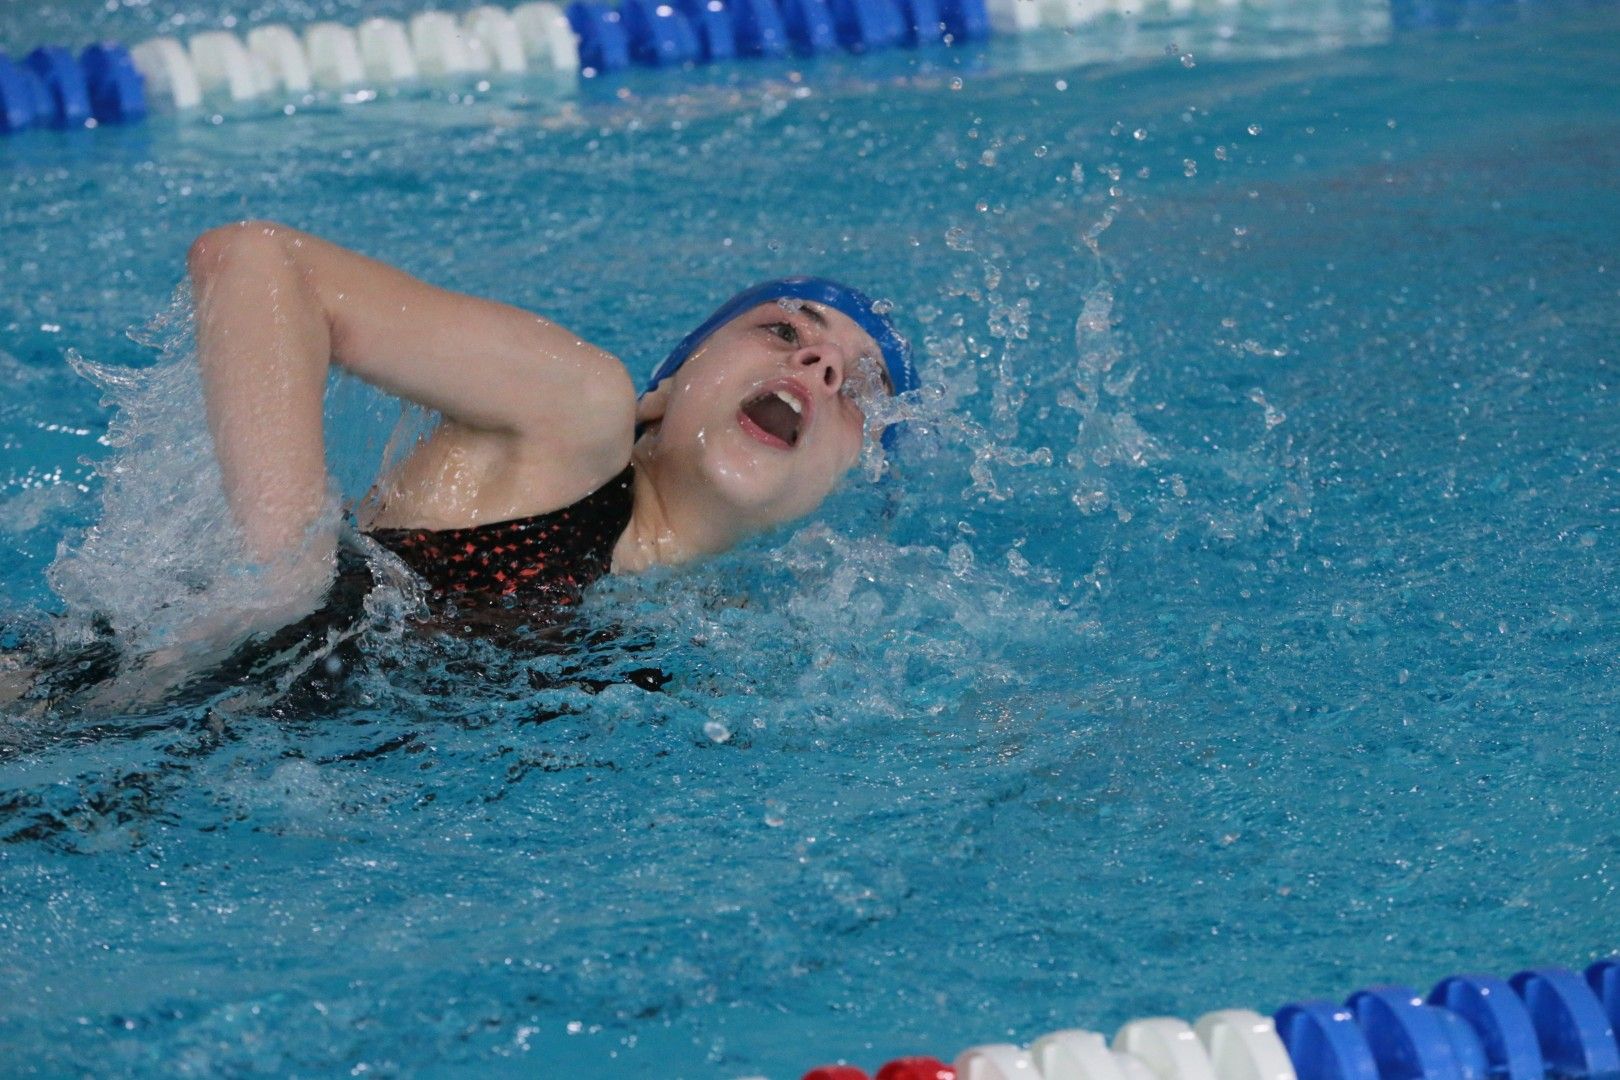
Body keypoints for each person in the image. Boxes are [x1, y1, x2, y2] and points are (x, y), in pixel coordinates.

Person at [183, 220, 919, 633]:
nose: (822, 364)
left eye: (860, 390)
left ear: (844, 484)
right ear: (664, 393)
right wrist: (289, 577)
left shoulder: (729, 629)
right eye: (784, 331)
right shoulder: (571, 421)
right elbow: (255, 260)